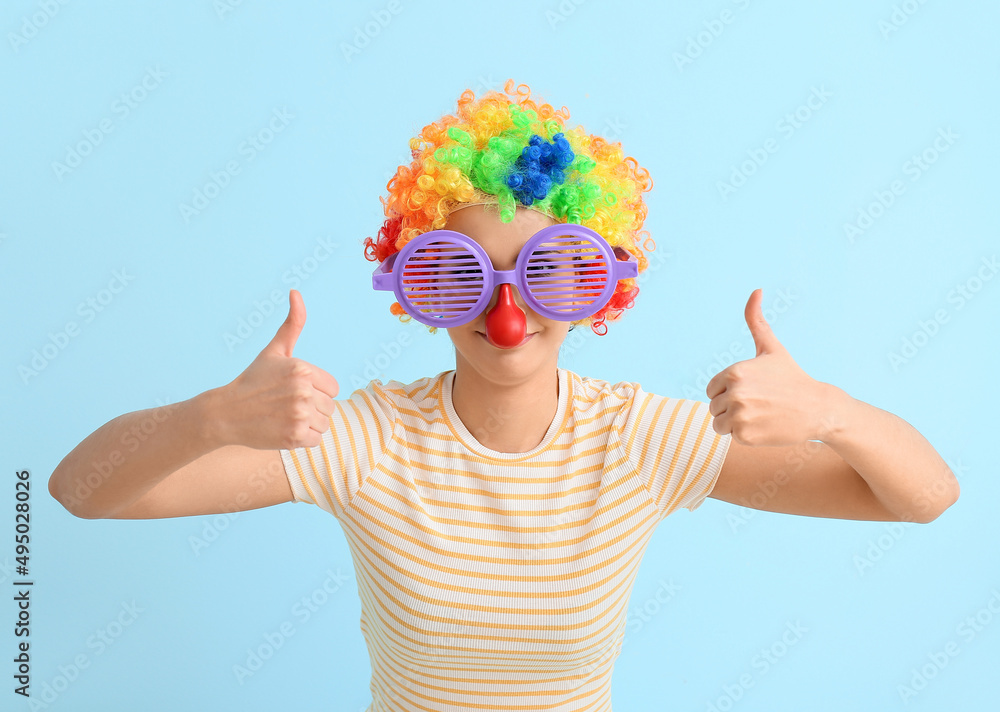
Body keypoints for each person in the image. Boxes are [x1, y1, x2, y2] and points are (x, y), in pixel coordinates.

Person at [49, 79, 960, 711]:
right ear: (416, 288)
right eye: (459, 273)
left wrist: (833, 412)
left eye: (550, 271)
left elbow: (924, 499)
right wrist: (209, 417)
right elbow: (80, 493)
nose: (507, 311)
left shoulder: (642, 439)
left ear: (603, 283)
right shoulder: (367, 440)